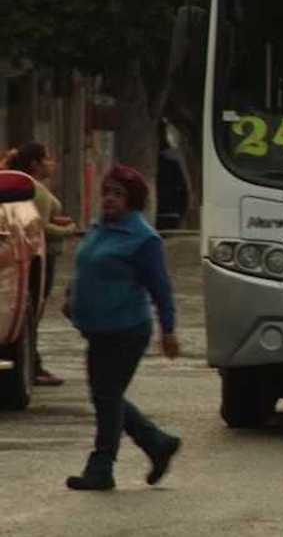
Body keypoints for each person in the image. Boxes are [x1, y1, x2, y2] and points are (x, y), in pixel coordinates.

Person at [64, 164, 181, 491]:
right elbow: (85, 266)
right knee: (106, 395)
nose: (110, 199)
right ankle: (157, 443)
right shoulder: (99, 227)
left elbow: (161, 288)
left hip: (126, 330)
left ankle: (102, 467)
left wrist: (168, 330)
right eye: (107, 192)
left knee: (107, 395)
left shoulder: (144, 239)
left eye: (118, 194)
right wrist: (71, 297)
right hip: (97, 330)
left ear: (132, 200)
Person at [3, 142, 77, 386]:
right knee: (33, 311)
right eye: (47, 159)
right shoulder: (33, 188)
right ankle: (34, 365)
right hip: (38, 253)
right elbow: (42, 227)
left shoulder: (29, 188)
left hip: (36, 254)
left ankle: (33, 363)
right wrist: (69, 229)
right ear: (35, 164)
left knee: (33, 310)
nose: (52, 163)